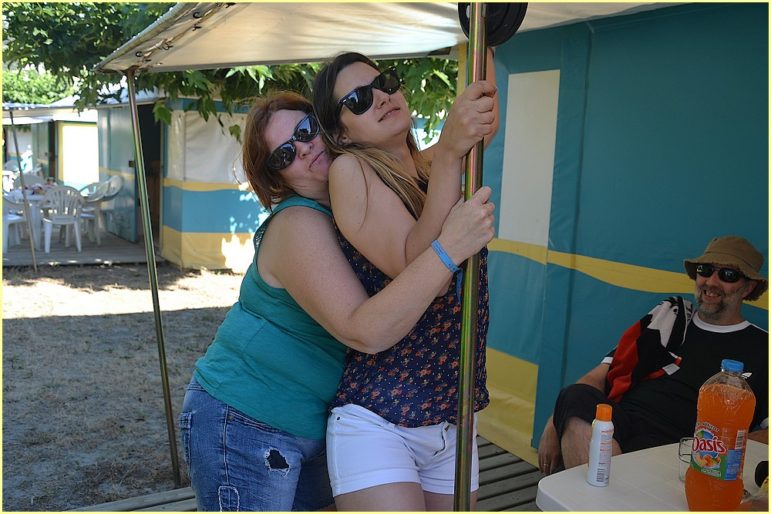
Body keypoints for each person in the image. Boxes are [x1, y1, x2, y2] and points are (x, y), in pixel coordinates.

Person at [179, 92, 496, 511]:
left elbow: (464, 140)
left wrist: (479, 72)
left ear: (329, 125)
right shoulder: (298, 222)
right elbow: (363, 331)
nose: (304, 148)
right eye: (284, 154)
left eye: (306, 129)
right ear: (279, 179)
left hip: (314, 422)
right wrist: (449, 248)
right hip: (245, 417)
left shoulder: (366, 189)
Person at [312, 51, 498, 510]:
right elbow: (417, 262)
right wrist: (450, 152)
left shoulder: (428, 168)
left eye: (386, 82)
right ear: (340, 132)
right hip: (381, 418)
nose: (380, 96)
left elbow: (483, 118)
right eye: (358, 99)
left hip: (450, 416)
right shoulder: (351, 171)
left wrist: (487, 38)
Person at [538, 235, 768, 475]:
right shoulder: (670, 316)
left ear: (748, 287)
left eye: (728, 275)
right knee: (575, 395)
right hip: (620, 426)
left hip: (680, 449)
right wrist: (555, 423)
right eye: (705, 270)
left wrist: (717, 451)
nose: (711, 282)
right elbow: (596, 377)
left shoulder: (763, 347)